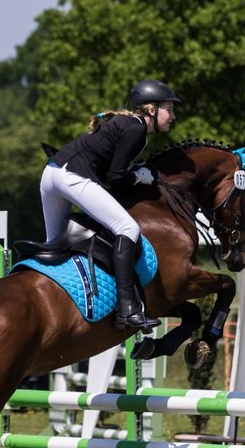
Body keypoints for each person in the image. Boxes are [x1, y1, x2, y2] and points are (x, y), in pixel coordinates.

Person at [40, 79, 180, 332]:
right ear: (151, 110)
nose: (173, 116)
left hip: (51, 175)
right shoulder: (136, 130)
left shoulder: (128, 125)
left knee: (55, 245)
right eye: (169, 109)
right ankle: (127, 309)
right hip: (72, 177)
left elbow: (108, 173)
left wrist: (134, 172)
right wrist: (139, 176)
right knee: (127, 228)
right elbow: (115, 178)